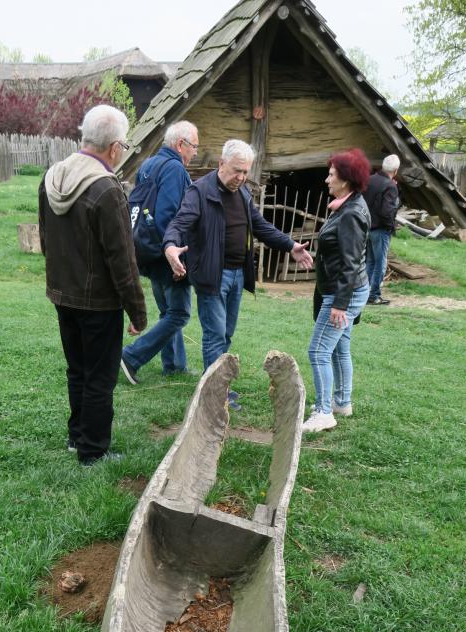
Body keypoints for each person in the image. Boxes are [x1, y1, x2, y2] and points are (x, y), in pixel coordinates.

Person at [163, 139, 313, 410]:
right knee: (215, 334)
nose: (241, 178)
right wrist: (171, 245)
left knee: (226, 333)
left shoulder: (242, 193)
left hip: (236, 274)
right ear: (221, 163)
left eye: (245, 172)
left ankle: (216, 383)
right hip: (212, 275)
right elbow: (179, 222)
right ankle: (214, 395)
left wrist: (290, 245)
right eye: (237, 171)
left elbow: (260, 226)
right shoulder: (200, 191)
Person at [38, 105, 147, 466]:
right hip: (99, 303)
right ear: (114, 147)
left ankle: (77, 437)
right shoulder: (106, 188)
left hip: (63, 294)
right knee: (99, 377)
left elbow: (46, 239)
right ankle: (93, 451)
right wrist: (137, 312)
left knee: (77, 370)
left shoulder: (52, 176)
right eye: (124, 146)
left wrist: (59, 282)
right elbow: (122, 259)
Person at [120, 121, 199, 385]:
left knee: (168, 312)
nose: (195, 152)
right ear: (181, 144)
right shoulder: (175, 169)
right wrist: (174, 255)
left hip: (146, 249)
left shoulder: (149, 164)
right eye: (194, 147)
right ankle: (131, 356)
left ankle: (174, 365)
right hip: (167, 253)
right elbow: (169, 215)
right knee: (179, 313)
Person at [302, 148, 371, 434]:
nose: (327, 180)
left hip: (344, 293)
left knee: (318, 351)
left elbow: (350, 263)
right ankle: (341, 402)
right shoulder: (346, 206)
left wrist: (340, 304)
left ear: (346, 179)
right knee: (339, 347)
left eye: (331, 175)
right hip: (347, 290)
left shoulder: (351, 213)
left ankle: (324, 413)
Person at [364, 154, 400, 305]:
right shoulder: (390, 186)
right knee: (380, 263)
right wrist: (390, 226)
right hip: (380, 228)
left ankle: (364, 294)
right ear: (396, 170)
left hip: (367, 227)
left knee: (370, 262)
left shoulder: (369, 180)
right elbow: (387, 211)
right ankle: (373, 295)